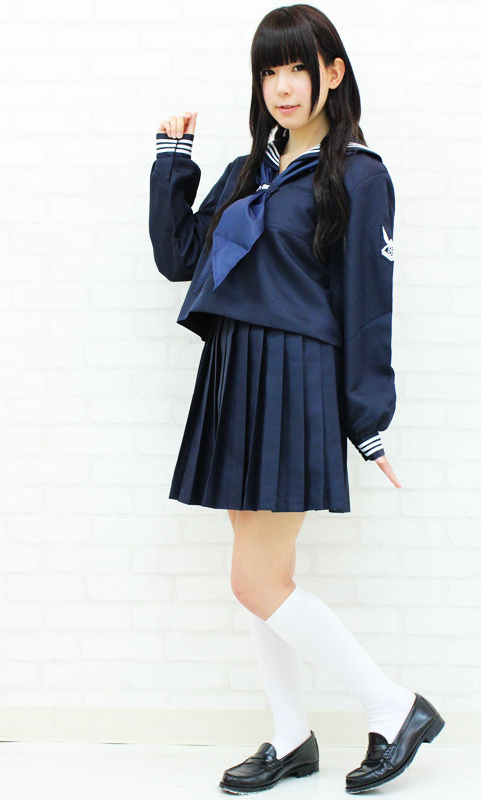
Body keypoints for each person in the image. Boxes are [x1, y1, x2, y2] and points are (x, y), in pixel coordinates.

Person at [149, 4, 444, 794]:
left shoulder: (360, 175)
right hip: (237, 371)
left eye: (297, 69)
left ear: (332, 74)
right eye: (269, 71)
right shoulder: (249, 170)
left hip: (294, 376)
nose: (282, 86)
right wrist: (173, 160)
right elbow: (179, 257)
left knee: (256, 581)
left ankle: (395, 707)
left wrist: (368, 421)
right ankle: (291, 737)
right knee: (259, 576)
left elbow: (367, 303)